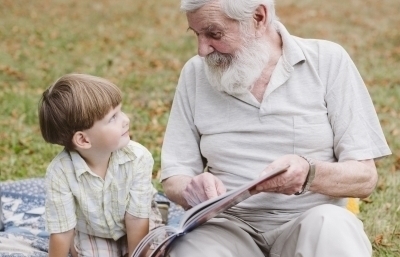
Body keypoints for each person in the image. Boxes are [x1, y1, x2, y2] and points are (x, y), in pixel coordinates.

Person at [160, 0, 392, 256]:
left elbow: (365, 178)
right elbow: (175, 176)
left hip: (311, 222)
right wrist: (190, 188)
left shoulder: (327, 61)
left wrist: (309, 174)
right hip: (226, 228)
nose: (202, 49)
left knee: (333, 227)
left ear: (259, 17)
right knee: (191, 250)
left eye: (214, 34)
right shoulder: (195, 73)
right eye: (197, 34)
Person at [38, 73, 162, 257]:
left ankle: (159, 213)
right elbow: (62, 232)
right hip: (93, 231)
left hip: (138, 223)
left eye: (120, 111)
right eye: (113, 118)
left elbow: (136, 219)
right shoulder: (60, 172)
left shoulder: (138, 157)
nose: (125, 119)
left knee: (156, 253)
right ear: (83, 139)